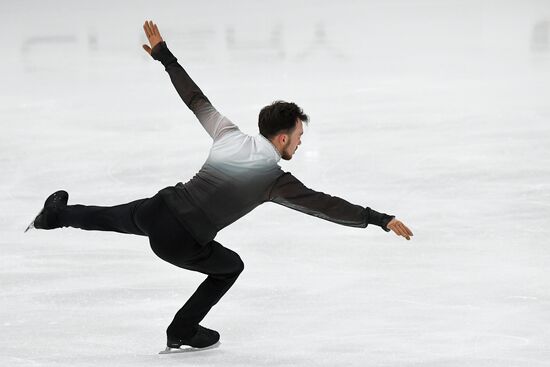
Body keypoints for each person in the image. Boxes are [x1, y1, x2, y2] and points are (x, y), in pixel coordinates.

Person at [26, 20, 414, 351]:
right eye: (297, 135)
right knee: (230, 267)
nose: (300, 142)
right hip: (181, 240)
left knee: (114, 217)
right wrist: (379, 219)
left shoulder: (227, 134)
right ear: (281, 139)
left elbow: (194, 98)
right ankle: (181, 330)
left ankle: (54, 217)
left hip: (159, 208)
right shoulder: (274, 180)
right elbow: (324, 205)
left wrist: (165, 57)